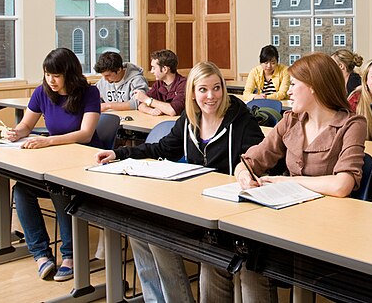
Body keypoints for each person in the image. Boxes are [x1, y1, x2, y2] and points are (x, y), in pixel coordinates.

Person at [96, 62, 264, 303]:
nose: (211, 96)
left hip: (229, 211)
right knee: (138, 229)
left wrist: (246, 175)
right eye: (203, 90)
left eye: (217, 88)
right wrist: (119, 154)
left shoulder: (241, 121)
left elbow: (258, 161)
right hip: (196, 203)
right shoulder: (190, 118)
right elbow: (163, 148)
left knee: (158, 236)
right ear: (193, 94)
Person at [204, 53, 367, 302]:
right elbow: (250, 161)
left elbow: (341, 184)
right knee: (239, 261)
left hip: (328, 226)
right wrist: (244, 175)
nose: (287, 91)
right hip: (287, 216)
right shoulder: (290, 121)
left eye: (293, 84)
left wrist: (287, 181)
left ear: (313, 87)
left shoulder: (352, 124)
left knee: (254, 262)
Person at [4, 48, 101, 281]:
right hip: (56, 160)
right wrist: (16, 133)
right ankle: (41, 255)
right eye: (47, 74)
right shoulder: (42, 92)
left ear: (70, 73)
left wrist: (47, 141)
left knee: (59, 190)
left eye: (56, 75)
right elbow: (26, 126)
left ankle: (70, 255)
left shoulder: (89, 93)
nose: (51, 80)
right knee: (21, 189)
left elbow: (86, 134)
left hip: (85, 163)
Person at [134, 49, 186, 116]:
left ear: (165, 69)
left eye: (154, 68)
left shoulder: (184, 84)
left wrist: (148, 100)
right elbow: (141, 106)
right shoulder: (159, 83)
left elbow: (172, 111)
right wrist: (151, 111)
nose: (152, 71)